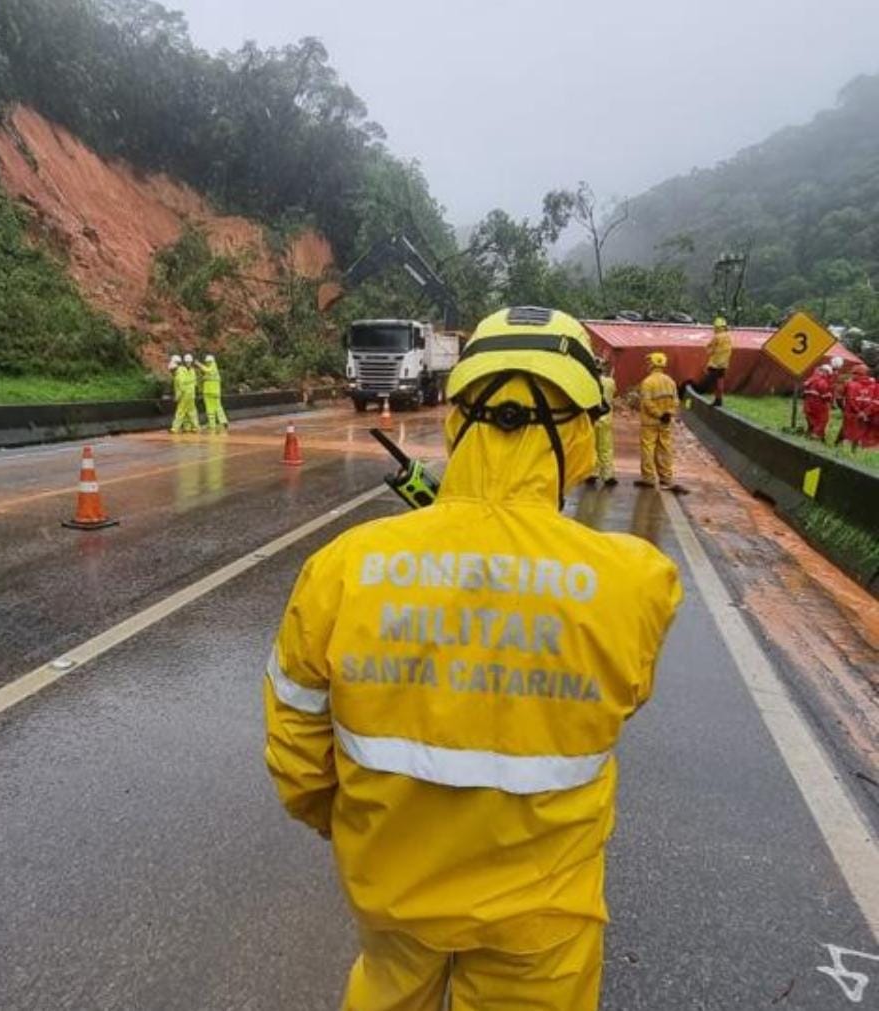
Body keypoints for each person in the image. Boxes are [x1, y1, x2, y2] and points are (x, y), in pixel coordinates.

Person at [264, 305, 683, 1011]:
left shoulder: (344, 566)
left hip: (390, 887)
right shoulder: (636, 581)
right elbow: (616, 699)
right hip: (543, 915)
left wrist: (352, 826)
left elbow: (299, 747)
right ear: (582, 430)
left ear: (459, 421)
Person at [635, 351, 686, 493]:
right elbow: (676, 401)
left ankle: (649, 478)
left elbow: (647, 402)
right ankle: (666, 478)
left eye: (648, 362)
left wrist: (658, 414)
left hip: (649, 422)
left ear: (652, 364)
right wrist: (668, 414)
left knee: (648, 449)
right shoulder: (670, 382)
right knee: (665, 449)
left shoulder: (647, 382)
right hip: (665, 422)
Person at [586, 356, 617, 487]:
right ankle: (608, 475)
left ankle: (592, 474)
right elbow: (614, 394)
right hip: (606, 419)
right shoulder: (610, 382)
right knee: (606, 448)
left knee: (591, 448)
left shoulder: (587, 381)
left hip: (592, 419)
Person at [689, 316, 733, 406]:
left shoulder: (717, 337)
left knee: (709, 380)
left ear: (717, 327)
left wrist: (708, 349)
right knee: (720, 382)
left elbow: (709, 350)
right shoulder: (729, 336)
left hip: (715, 363)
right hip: (724, 364)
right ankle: (719, 399)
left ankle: (699, 390)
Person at [839, 363, 873, 451]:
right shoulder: (873, 385)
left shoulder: (849, 384)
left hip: (850, 413)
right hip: (865, 415)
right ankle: (853, 452)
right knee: (859, 433)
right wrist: (865, 413)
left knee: (848, 433)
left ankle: (843, 454)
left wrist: (843, 408)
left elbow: (839, 397)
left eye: (854, 373)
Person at [196, 353, 229, 432]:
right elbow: (204, 378)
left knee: (212, 409)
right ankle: (219, 423)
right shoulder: (213, 370)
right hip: (213, 392)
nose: (207, 363)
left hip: (210, 392)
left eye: (208, 362)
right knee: (216, 408)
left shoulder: (212, 368)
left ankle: (216, 423)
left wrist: (198, 364)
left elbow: (207, 370)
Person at [801, 364, 834, 441]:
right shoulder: (822, 381)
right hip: (818, 405)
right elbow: (825, 396)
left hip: (807, 404)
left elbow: (804, 389)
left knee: (811, 421)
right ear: (826, 372)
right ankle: (814, 438)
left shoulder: (811, 379)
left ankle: (808, 435)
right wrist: (830, 396)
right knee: (822, 421)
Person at [170, 354, 200, 434]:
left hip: (184, 395)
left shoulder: (180, 372)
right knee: (191, 411)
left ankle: (175, 428)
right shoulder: (192, 370)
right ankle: (192, 427)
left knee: (180, 411)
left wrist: (177, 396)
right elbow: (195, 383)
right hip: (191, 394)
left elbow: (181, 385)